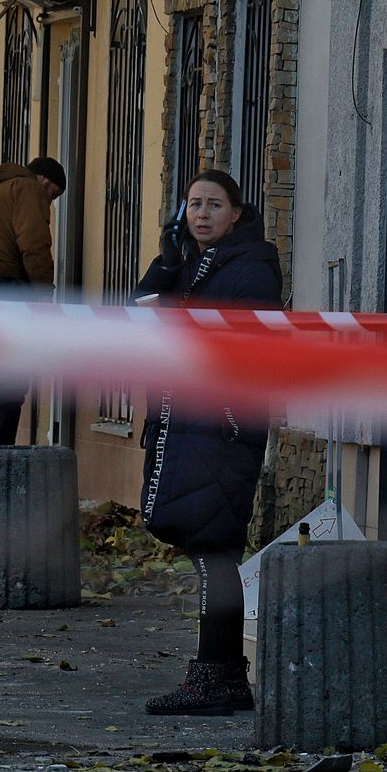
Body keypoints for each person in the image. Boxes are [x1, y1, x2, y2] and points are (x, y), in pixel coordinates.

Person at [136, 169, 280, 717]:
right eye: (193, 204)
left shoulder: (253, 265)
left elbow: (241, 335)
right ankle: (224, 677)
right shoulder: (189, 262)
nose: (200, 215)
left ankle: (215, 677)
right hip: (184, 421)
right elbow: (142, 307)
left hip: (222, 424)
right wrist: (167, 261)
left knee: (215, 547)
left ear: (236, 213)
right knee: (205, 547)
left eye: (213, 205)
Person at [0, 155, 66, 446]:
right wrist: (43, 293)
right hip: (5, 295)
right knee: (10, 386)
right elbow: (34, 243)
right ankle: (2, 459)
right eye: (52, 194)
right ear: (43, 179)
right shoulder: (28, 189)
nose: (49, 203)